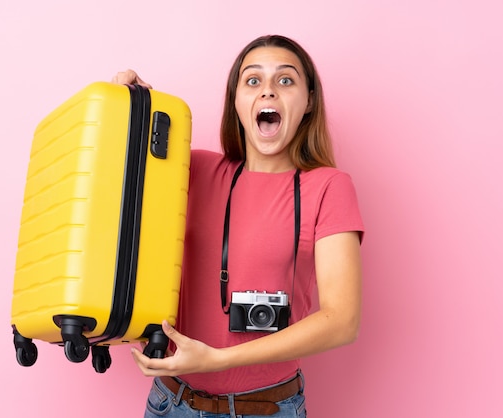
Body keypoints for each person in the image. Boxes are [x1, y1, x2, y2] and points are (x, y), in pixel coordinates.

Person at [112, 34, 364, 417]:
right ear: (236, 101)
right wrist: (127, 111)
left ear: (309, 101)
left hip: (266, 407)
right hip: (171, 402)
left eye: (285, 80)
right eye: (252, 81)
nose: (267, 93)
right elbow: (114, 195)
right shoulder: (191, 168)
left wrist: (217, 359)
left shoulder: (328, 186)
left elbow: (342, 320)